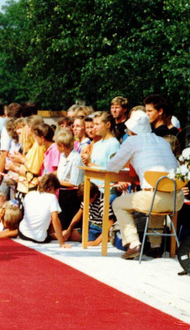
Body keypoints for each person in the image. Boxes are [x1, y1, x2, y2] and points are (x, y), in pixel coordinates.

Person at [106, 110, 184, 260]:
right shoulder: (162, 141)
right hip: (176, 198)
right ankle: (156, 247)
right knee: (156, 199)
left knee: (118, 203)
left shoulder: (132, 141)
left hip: (154, 199)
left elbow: (111, 167)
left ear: (132, 129)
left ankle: (133, 243)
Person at [18, 174, 70, 247]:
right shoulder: (52, 197)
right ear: (52, 188)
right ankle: (54, 236)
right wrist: (62, 243)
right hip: (39, 238)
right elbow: (55, 219)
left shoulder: (29, 194)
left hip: (22, 233)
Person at [62, 182, 114, 247]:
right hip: (90, 226)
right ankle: (48, 235)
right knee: (65, 233)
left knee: (66, 236)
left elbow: (110, 223)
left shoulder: (102, 202)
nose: (85, 202)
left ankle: (106, 238)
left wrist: (97, 241)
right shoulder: (87, 198)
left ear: (94, 195)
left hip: (99, 229)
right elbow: (79, 214)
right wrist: (69, 229)